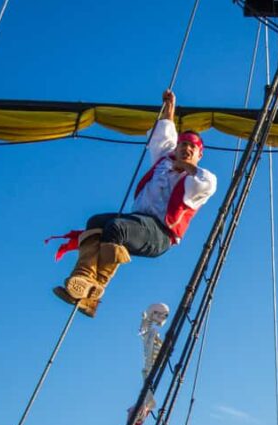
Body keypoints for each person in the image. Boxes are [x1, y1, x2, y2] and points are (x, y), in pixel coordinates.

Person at [52, 90, 217, 317]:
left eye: (192, 148)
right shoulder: (163, 162)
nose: (186, 149)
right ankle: (83, 279)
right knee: (96, 221)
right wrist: (170, 107)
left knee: (116, 228)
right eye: (183, 145)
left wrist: (185, 165)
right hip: (137, 221)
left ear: (199, 154)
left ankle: (94, 292)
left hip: (160, 234)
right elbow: (164, 135)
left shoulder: (195, 180)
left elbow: (206, 183)